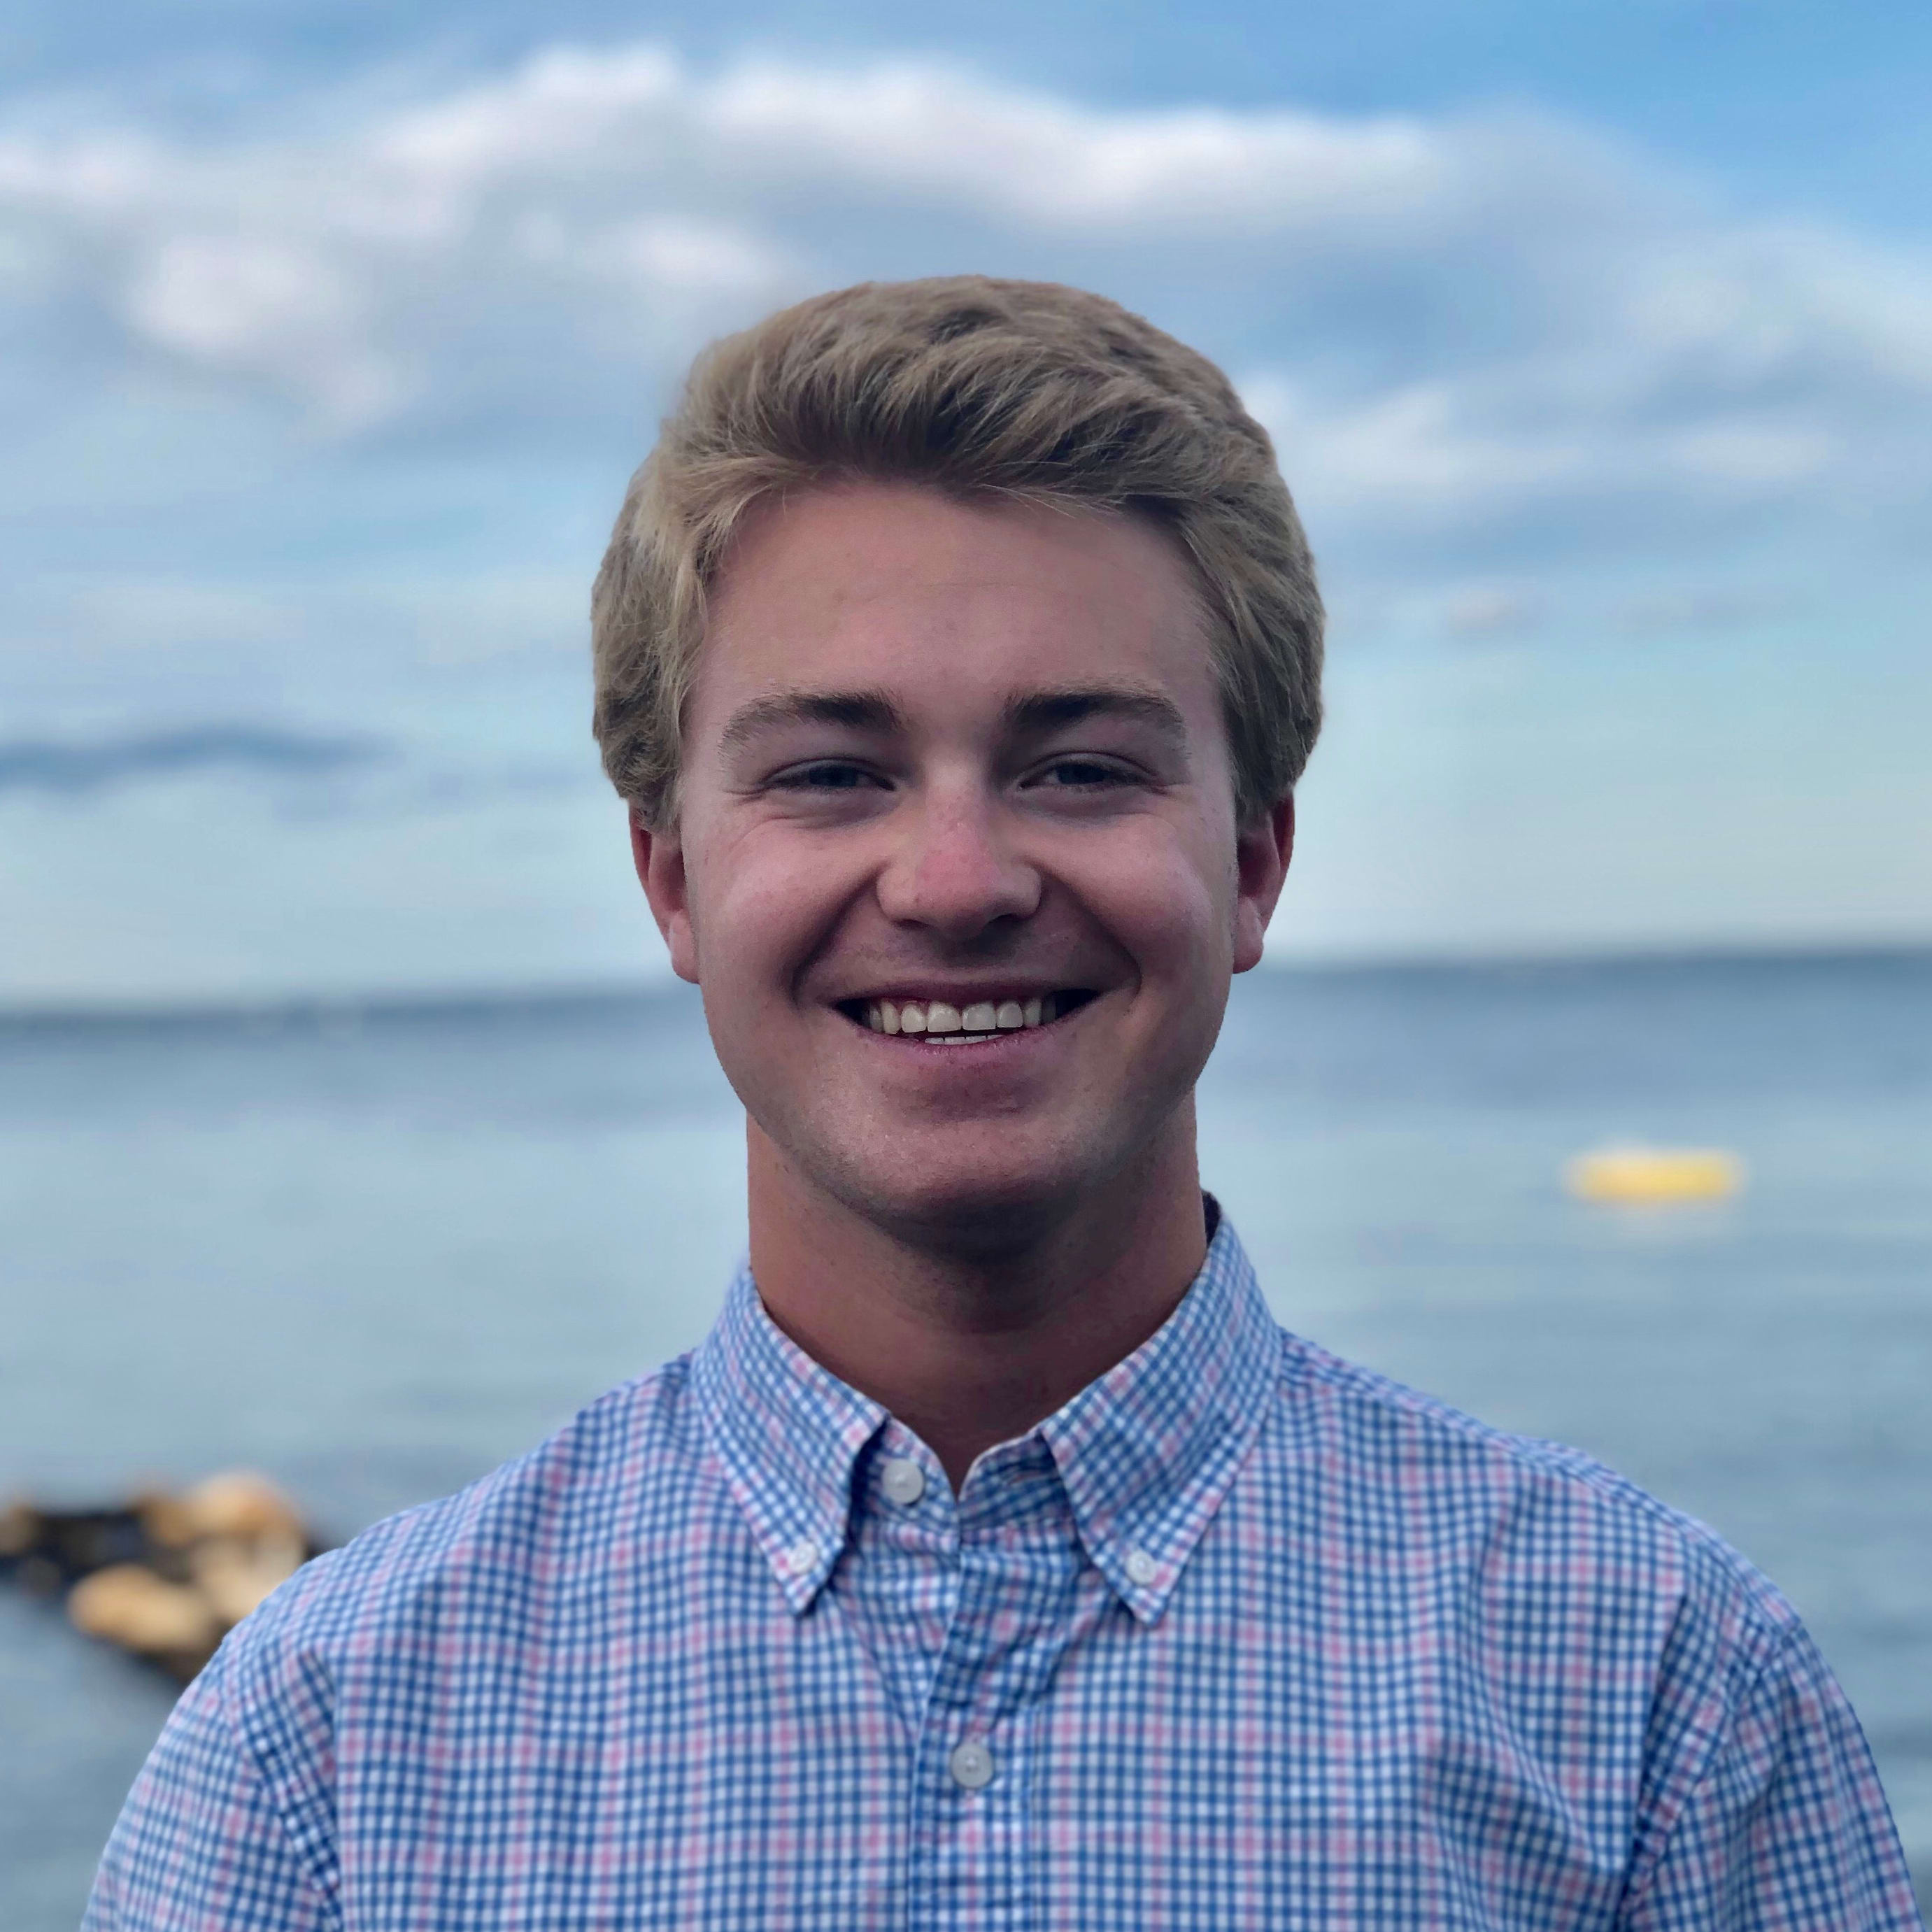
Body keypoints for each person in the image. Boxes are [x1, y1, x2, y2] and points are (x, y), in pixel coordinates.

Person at [86, 277, 1919, 1931]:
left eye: (1078, 763)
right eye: (829, 770)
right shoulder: (326, 1743)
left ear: (1254, 860)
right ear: (670, 884)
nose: (954, 878)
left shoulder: (1650, 1689)